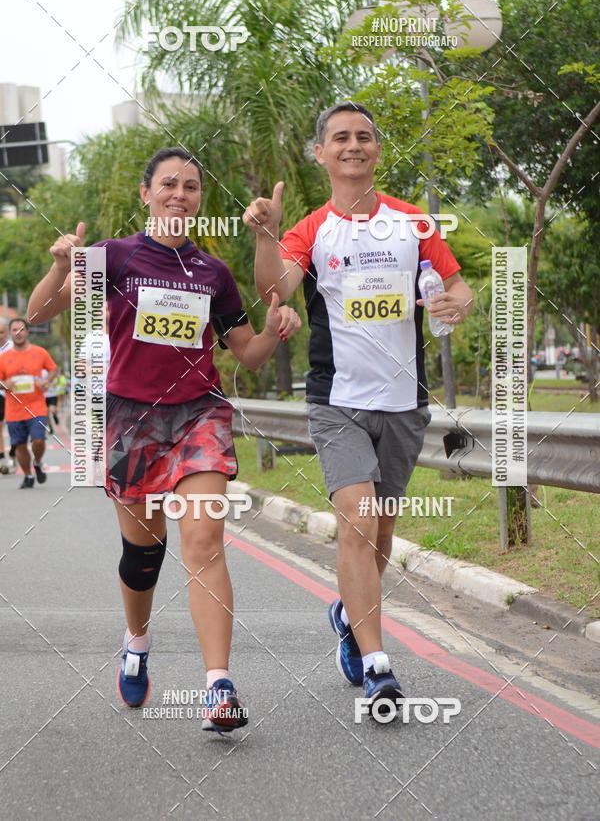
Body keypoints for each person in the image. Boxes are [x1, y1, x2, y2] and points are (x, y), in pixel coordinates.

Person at [27, 146, 301, 732]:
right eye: (169, 184)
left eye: (192, 186)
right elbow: (42, 311)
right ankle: (137, 641)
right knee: (143, 555)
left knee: (203, 543)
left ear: (200, 200)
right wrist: (58, 266)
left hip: (199, 415)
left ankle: (218, 687)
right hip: (132, 421)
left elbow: (248, 355)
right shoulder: (114, 257)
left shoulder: (214, 273)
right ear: (146, 194)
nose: (180, 193)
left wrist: (277, 327)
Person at [244, 101, 474, 714]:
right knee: (357, 517)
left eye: (364, 137)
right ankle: (379, 665)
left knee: (381, 533)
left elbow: (456, 284)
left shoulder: (414, 223)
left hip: (402, 402)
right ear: (321, 153)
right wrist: (267, 235)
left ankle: (348, 612)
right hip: (337, 399)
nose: (353, 145)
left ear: (377, 149)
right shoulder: (312, 229)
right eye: (340, 138)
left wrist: (457, 303)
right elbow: (275, 289)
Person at [0, 318, 58, 488]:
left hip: (36, 407)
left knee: (38, 441)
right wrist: (5, 384)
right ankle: (28, 475)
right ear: (10, 333)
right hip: (14, 409)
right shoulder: (4, 358)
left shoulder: (39, 352)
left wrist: (47, 380)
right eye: (14, 330)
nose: (18, 333)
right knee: (19, 445)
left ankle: (38, 462)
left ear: (27, 332)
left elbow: (54, 369)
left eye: (21, 329)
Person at [0, 316, 14, 473]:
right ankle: (3, 459)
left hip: (13, 393)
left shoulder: (12, 348)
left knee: (13, 427)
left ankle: (13, 452)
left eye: (1, 332)